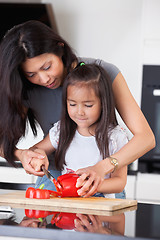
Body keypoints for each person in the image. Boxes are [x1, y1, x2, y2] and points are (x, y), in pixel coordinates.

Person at [0, 20, 155, 196]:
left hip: (102, 179)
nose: (44, 79)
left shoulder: (103, 73)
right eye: (31, 74)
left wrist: (101, 168)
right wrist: (22, 155)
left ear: (60, 48)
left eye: (47, 67)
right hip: (57, 179)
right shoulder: (24, 88)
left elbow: (146, 138)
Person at [27, 63, 128, 198]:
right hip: (69, 205)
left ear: (103, 104)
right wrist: (37, 157)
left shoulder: (115, 137)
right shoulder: (62, 130)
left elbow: (119, 183)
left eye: (88, 105)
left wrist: (90, 186)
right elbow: (34, 150)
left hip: (100, 205)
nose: (79, 112)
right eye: (72, 104)